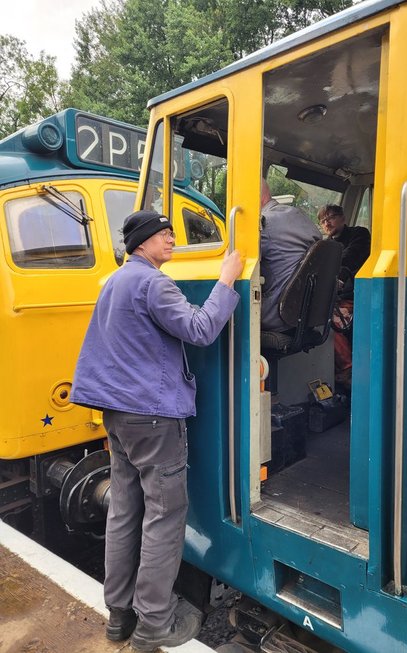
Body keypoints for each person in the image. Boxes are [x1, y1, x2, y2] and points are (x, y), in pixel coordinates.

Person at [70, 209, 243, 652]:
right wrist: (226, 281)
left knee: (125, 512)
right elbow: (201, 330)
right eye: (164, 234)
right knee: (164, 520)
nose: (171, 240)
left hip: (119, 416)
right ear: (143, 242)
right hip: (153, 418)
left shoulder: (114, 281)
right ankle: (153, 626)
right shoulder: (152, 282)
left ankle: (119, 615)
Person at [317, 204, 371, 394]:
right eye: (323, 221)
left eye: (330, 217)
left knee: (333, 322)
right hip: (334, 298)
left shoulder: (360, 234)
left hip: (358, 296)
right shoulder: (324, 245)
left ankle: (348, 373)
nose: (327, 223)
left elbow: (351, 256)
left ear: (343, 217)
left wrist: (339, 276)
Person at [260, 180, 321, 331]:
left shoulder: (262, 224)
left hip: (276, 316)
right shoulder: (299, 215)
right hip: (307, 311)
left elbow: (239, 259)